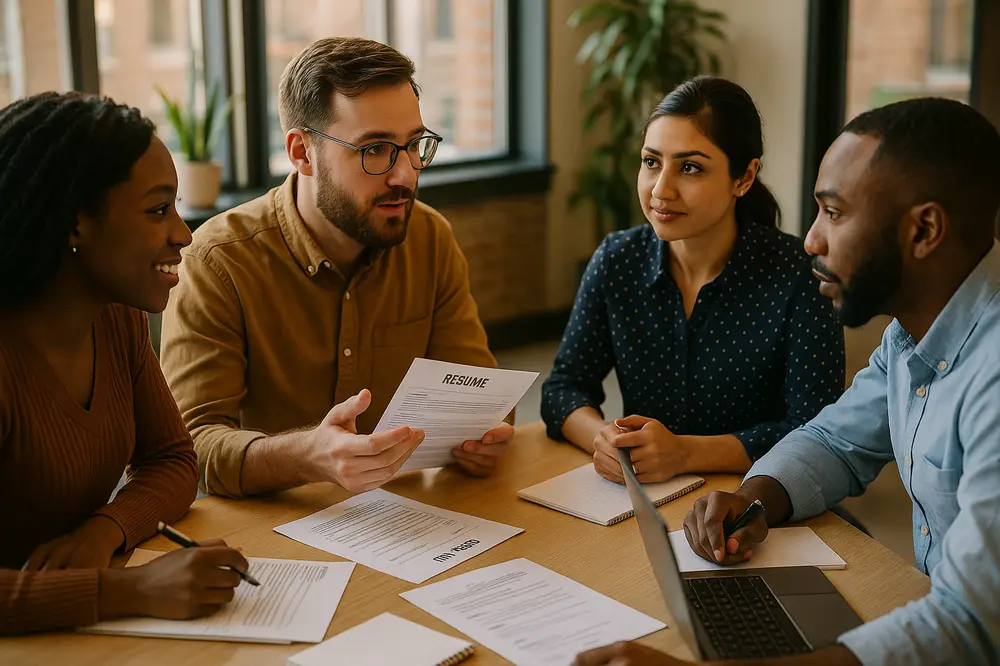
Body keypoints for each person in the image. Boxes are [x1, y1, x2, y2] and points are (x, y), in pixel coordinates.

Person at [575, 98, 1000, 665]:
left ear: (924, 229)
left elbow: (969, 627)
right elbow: (833, 440)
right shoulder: (910, 338)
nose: (812, 241)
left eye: (835, 213)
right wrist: (755, 498)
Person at [159, 37, 512, 498]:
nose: (405, 174)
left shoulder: (431, 238)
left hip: (406, 516)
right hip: (277, 525)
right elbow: (190, 448)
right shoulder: (217, 261)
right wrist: (306, 456)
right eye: (375, 150)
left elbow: (481, 399)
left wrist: (484, 438)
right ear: (302, 153)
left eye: (413, 145)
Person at [0, 92, 248, 635]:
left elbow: (174, 461)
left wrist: (106, 529)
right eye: (158, 209)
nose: (183, 233)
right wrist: (132, 588)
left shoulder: (116, 319)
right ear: (73, 222)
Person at [542, 77, 843, 485]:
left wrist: (685, 452)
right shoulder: (618, 261)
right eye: (651, 162)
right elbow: (563, 387)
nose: (661, 190)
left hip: (761, 495)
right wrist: (605, 440)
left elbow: (816, 430)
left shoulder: (797, 275)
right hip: (646, 494)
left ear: (744, 178)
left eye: (690, 168)